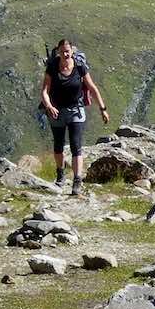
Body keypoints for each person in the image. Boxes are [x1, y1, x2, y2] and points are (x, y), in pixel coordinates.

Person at [39, 38, 109, 195]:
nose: (65, 54)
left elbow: (92, 88)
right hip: (56, 111)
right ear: (58, 52)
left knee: (76, 145)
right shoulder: (52, 67)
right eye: (62, 51)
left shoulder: (80, 67)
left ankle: (77, 180)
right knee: (58, 145)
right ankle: (60, 174)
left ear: (72, 51)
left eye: (68, 51)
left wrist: (103, 109)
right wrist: (49, 106)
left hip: (76, 110)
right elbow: (44, 91)